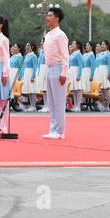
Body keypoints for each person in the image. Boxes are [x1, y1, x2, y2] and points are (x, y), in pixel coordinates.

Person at [42, 8, 69, 140]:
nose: (47, 18)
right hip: (49, 68)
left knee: (59, 102)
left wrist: (64, 72)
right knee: (51, 102)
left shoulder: (60, 35)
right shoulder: (47, 35)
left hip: (58, 68)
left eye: (50, 15)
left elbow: (65, 55)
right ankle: (53, 129)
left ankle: (60, 131)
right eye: (47, 15)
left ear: (57, 18)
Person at [94, 40, 110, 112]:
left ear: (107, 46)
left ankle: (107, 106)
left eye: (104, 44)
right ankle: (103, 104)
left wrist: (109, 74)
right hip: (100, 71)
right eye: (101, 44)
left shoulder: (108, 54)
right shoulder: (100, 54)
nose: (102, 45)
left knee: (106, 89)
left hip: (105, 70)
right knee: (101, 89)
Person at [22, 42, 38, 112]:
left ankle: (33, 106)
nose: (27, 47)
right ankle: (31, 105)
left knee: (32, 90)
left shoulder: (33, 56)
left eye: (28, 45)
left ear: (32, 47)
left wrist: (33, 76)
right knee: (29, 90)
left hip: (31, 73)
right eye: (26, 45)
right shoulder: (26, 55)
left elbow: (35, 66)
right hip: (26, 73)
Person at [69, 40, 84, 112]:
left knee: (78, 89)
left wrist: (79, 75)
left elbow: (80, 65)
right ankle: (75, 105)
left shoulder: (78, 54)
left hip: (76, 71)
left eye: (74, 44)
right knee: (74, 90)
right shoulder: (73, 53)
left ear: (78, 45)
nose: (72, 45)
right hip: (72, 71)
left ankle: (78, 105)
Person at [36, 39, 49, 113]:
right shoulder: (41, 52)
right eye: (41, 42)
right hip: (41, 69)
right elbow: (39, 63)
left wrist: (46, 73)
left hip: (45, 69)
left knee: (46, 89)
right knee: (43, 90)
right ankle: (45, 105)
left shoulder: (48, 51)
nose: (41, 43)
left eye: (42, 42)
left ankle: (48, 106)